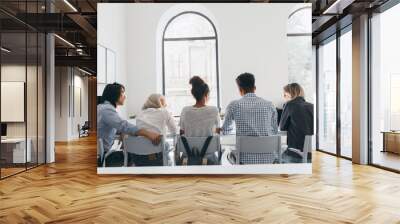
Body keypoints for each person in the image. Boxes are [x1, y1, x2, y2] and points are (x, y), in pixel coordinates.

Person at [97, 83, 161, 165]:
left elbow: (113, 127)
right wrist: (148, 134)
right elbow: (124, 125)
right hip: (102, 158)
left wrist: (121, 132)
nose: (125, 96)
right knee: (134, 154)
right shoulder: (107, 109)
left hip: (102, 153)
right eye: (122, 92)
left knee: (132, 153)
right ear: (114, 94)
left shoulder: (101, 107)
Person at [221, 72, 278, 164]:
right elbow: (274, 131)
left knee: (227, 155)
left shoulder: (234, 105)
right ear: (254, 88)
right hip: (268, 159)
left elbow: (225, 130)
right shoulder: (269, 105)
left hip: (244, 160)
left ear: (240, 90)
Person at [279, 83, 313, 163]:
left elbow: (282, 127)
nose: (284, 97)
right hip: (311, 153)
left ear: (291, 94)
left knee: (277, 152)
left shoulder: (289, 105)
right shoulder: (311, 106)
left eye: (285, 94)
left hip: (296, 152)